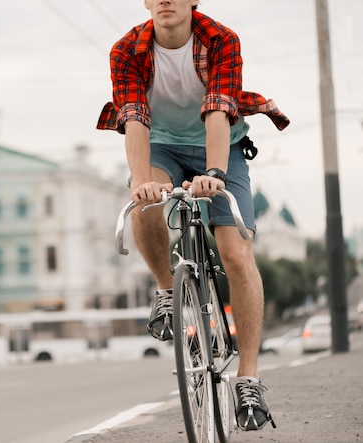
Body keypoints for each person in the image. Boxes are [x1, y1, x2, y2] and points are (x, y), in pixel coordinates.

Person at [97, 0, 289, 432]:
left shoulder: (221, 40)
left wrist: (215, 173)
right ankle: (168, 290)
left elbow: (218, 109)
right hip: (161, 144)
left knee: (237, 254)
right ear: (147, 2)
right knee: (143, 197)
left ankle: (249, 378)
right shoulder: (126, 50)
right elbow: (134, 121)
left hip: (219, 145)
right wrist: (142, 179)